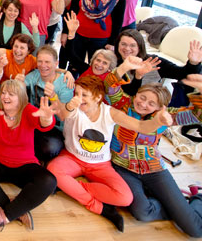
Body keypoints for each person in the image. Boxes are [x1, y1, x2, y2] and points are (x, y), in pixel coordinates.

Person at [47, 75, 173, 232]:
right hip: (72, 158)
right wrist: (59, 99)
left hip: (100, 164)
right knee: (53, 170)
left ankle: (72, 187)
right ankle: (98, 207)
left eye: (84, 95)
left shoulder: (110, 112)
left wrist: (157, 122)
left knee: (125, 197)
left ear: (98, 97)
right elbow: (63, 113)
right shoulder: (74, 107)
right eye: (76, 94)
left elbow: (140, 126)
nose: (79, 98)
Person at [105, 70, 202, 237]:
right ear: (136, 95)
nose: (143, 104)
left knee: (195, 230)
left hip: (154, 171)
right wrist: (125, 66)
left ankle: (197, 198)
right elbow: (110, 86)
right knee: (142, 213)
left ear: (159, 107)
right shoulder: (122, 104)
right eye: (142, 97)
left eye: (151, 103)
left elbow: (196, 114)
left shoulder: (165, 116)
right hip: (124, 169)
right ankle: (177, 207)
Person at [0, 80, 57, 234]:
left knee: (50, 181)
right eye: (3, 93)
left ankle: (7, 215)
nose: (5, 97)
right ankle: (13, 208)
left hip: (24, 166)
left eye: (11, 94)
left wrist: (47, 117)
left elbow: (45, 123)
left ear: (21, 97)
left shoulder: (27, 110)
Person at [113, 29, 202, 97]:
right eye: (123, 44)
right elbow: (127, 94)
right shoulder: (112, 62)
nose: (127, 49)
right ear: (117, 45)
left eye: (132, 45)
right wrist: (138, 76)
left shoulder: (154, 61)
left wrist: (193, 63)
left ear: (139, 47)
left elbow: (182, 74)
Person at [64, 11, 117, 79]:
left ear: (110, 68)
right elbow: (71, 55)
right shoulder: (86, 69)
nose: (99, 65)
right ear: (92, 61)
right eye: (98, 60)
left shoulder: (110, 80)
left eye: (105, 63)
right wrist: (71, 33)